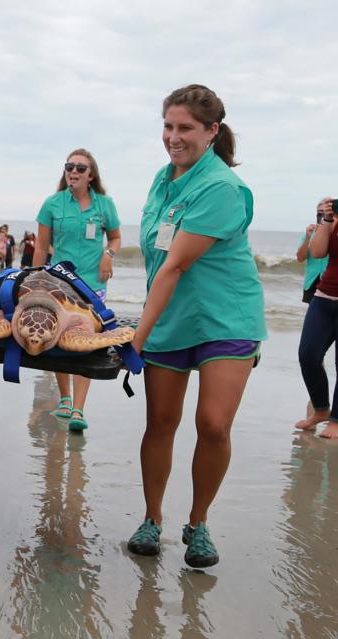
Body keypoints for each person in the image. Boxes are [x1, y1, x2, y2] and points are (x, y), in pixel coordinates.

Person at [127, 84, 266, 569]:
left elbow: (174, 266)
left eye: (185, 128)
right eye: (168, 126)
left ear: (212, 131)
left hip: (226, 317)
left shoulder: (222, 188)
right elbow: (153, 261)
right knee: (160, 422)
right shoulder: (162, 181)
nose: (174, 136)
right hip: (170, 318)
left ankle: (199, 522)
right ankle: (152, 518)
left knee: (212, 423)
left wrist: (134, 340)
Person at [33, 149, 122, 431]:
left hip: (93, 284)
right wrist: (34, 279)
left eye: (80, 168)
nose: (73, 171)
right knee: (61, 339)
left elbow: (117, 237)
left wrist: (108, 254)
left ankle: (79, 411)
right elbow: (40, 245)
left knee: (85, 341)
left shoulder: (105, 204)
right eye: (69, 166)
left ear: (91, 175)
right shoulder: (52, 204)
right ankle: (65, 399)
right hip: (61, 281)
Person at [296, 197, 338, 438]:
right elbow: (318, 252)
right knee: (308, 355)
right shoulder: (329, 224)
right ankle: (321, 409)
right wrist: (328, 220)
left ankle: (336, 420)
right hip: (323, 296)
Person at [297, 198, 331, 304]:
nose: (321, 215)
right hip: (312, 281)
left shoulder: (335, 233)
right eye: (319, 212)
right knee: (314, 316)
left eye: (324, 212)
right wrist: (307, 237)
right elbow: (300, 258)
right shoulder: (310, 233)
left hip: (330, 281)